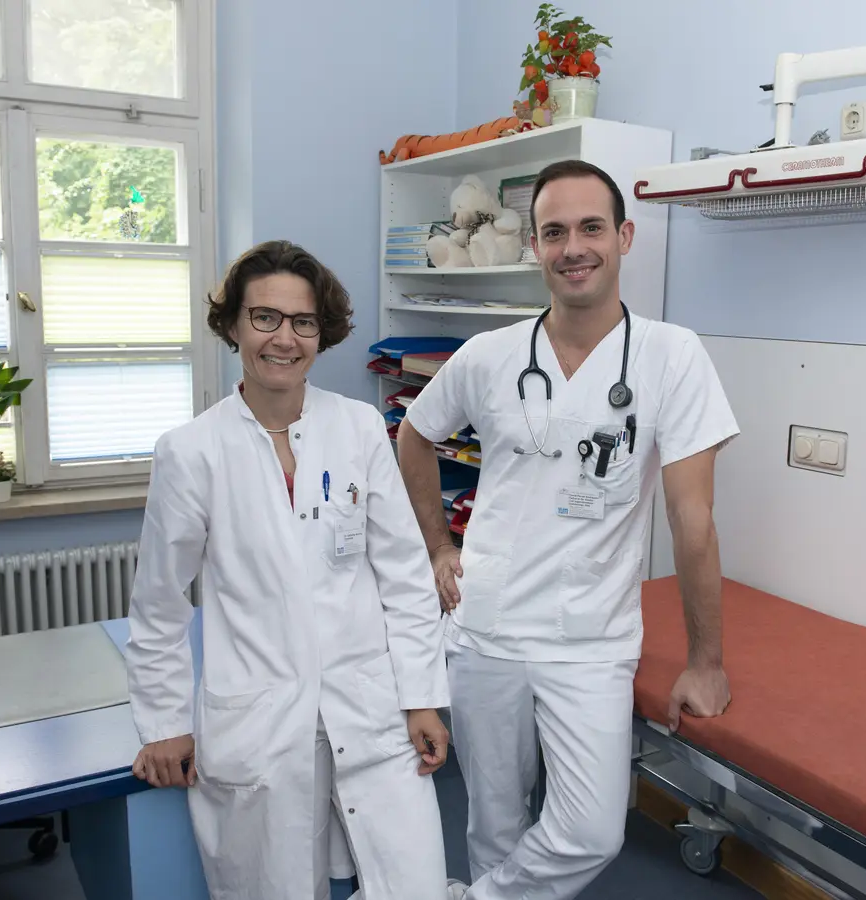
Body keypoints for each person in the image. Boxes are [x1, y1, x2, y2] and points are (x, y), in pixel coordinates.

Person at [397, 159, 741, 900]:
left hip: (591, 639)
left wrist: (706, 659)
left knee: (590, 831)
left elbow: (693, 519)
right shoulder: (489, 356)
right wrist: (439, 546)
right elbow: (414, 436)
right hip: (487, 628)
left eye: (591, 228)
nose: (573, 247)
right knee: (494, 823)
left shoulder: (672, 356)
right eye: (554, 232)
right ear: (534, 246)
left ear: (624, 237)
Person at [124, 239, 453, 900]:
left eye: (303, 322)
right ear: (233, 325)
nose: (284, 338)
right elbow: (159, 603)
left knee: (411, 883)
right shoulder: (192, 452)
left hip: (368, 706)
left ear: (321, 333)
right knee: (274, 887)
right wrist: (164, 723)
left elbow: (404, 575)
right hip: (260, 720)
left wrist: (421, 696)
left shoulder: (360, 428)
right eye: (265, 317)